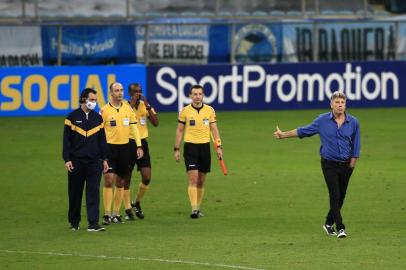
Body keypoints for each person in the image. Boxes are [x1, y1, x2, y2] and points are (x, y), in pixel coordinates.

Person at [273, 91, 360, 238]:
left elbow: (356, 143)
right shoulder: (322, 120)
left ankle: (328, 223)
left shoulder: (353, 122)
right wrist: (284, 135)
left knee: (342, 196)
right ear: (331, 104)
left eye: (342, 103)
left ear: (345, 105)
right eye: (337, 102)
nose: (339, 105)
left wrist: (353, 162)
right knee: (335, 195)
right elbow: (304, 131)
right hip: (329, 164)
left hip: (346, 165)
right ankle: (340, 227)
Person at [62, 88, 109, 232]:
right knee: (75, 192)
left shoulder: (98, 118)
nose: (94, 103)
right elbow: (66, 141)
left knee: (93, 192)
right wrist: (67, 159)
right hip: (76, 162)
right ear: (84, 99)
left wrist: (105, 159)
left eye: (95, 100)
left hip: (94, 162)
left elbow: (102, 141)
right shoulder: (71, 118)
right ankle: (74, 222)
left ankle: (93, 223)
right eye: (92, 100)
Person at [174, 85, 223, 219]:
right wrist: (176, 149)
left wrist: (219, 147)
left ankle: (198, 207)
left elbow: (214, 129)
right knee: (193, 179)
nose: (197, 96)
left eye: (200, 94)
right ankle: (194, 209)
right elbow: (179, 130)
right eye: (195, 94)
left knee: (201, 181)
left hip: (205, 148)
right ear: (190, 96)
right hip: (190, 148)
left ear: (203, 95)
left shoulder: (209, 110)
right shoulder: (185, 111)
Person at [100, 82, 143, 225]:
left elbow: (134, 128)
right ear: (111, 93)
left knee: (120, 182)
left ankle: (116, 214)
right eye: (117, 90)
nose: (120, 93)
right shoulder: (104, 110)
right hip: (109, 149)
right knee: (108, 180)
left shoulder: (128, 109)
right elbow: (99, 132)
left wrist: (138, 145)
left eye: (121, 90)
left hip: (125, 148)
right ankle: (106, 214)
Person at [122, 83, 159, 220]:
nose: (138, 94)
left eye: (140, 92)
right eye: (135, 92)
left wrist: (148, 106)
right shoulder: (124, 106)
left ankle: (136, 202)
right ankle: (127, 209)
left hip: (142, 143)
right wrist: (131, 105)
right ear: (129, 93)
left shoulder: (145, 106)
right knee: (127, 177)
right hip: (127, 143)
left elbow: (156, 123)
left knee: (147, 176)